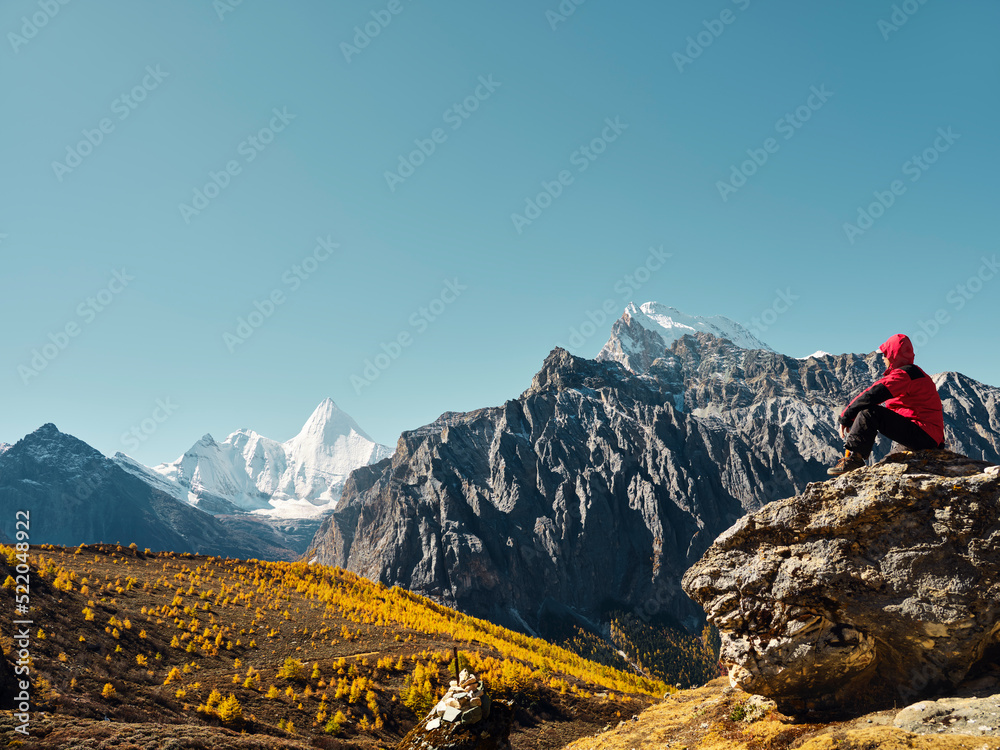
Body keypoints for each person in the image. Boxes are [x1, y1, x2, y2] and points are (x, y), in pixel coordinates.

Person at [828, 333, 945, 476]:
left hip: (923, 435)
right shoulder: (915, 373)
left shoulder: (904, 375)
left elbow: (873, 394)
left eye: (885, 354)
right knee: (887, 464)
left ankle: (855, 460)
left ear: (893, 355)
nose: (883, 358)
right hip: (927, 437)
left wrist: (846, 417)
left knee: (869, 413)